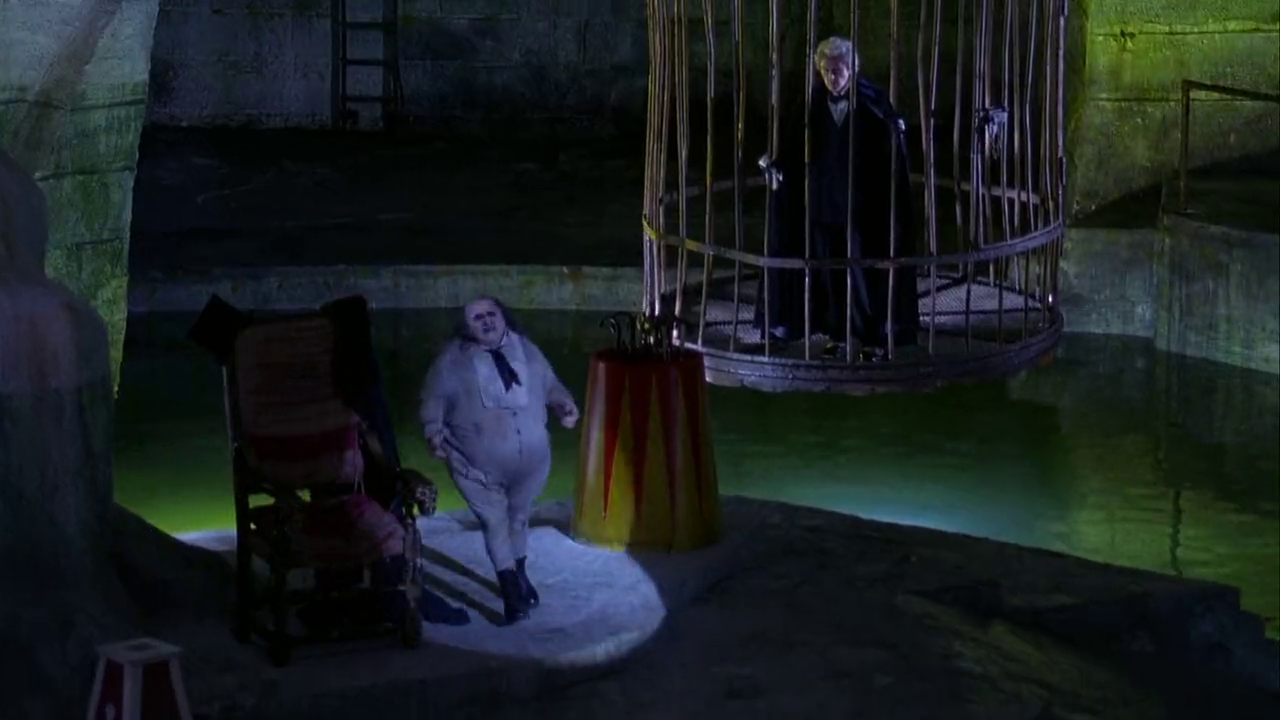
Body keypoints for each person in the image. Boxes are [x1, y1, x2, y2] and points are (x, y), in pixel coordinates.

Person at [756, 35, 920, 359]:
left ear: (852, 69)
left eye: (838, 70)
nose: (832, 77)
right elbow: (792, 147)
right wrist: (777, 167)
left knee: (864, 275)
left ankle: (872, 339)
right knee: (829, 276)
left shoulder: (872, 103)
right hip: (823, 206)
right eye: (826, 71)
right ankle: (837, 335)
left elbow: (891, 152)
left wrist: (894, 136)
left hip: (862, 209)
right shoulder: (811, 105)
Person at [419, 296, 579, 625]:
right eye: (477, 318)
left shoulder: (526, 349)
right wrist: (433, 432)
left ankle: (519, 575)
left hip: (529, 463)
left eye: (491, 314)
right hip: (475, 467)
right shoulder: (451, 361)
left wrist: (563, 404)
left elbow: (550, 384)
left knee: (518, 518)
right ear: (466, 327)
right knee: (495, 522)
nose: (487, 321)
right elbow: (432, 400)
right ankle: (509, 592)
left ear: (503, 316)